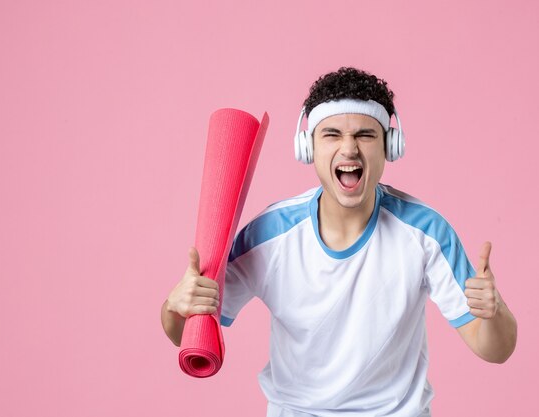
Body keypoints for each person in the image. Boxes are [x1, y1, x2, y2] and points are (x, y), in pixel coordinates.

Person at [160, 67, 517, 417]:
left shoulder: (426, 232)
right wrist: (176, 307)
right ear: (307, 147)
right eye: (331, 134)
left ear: (390, 146)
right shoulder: (269, 235)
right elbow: (189, 334)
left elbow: (495, 349)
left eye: (365, 135)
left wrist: (494, 312)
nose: (349, 149)